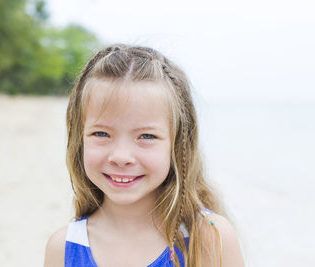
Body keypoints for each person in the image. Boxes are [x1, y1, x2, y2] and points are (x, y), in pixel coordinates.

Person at [44, 44, 245, 267]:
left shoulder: (208, 238)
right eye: (101, 133)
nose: (121, 156)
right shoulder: (63, 248)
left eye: (146, 136)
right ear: (78, 140)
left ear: (178, 145)